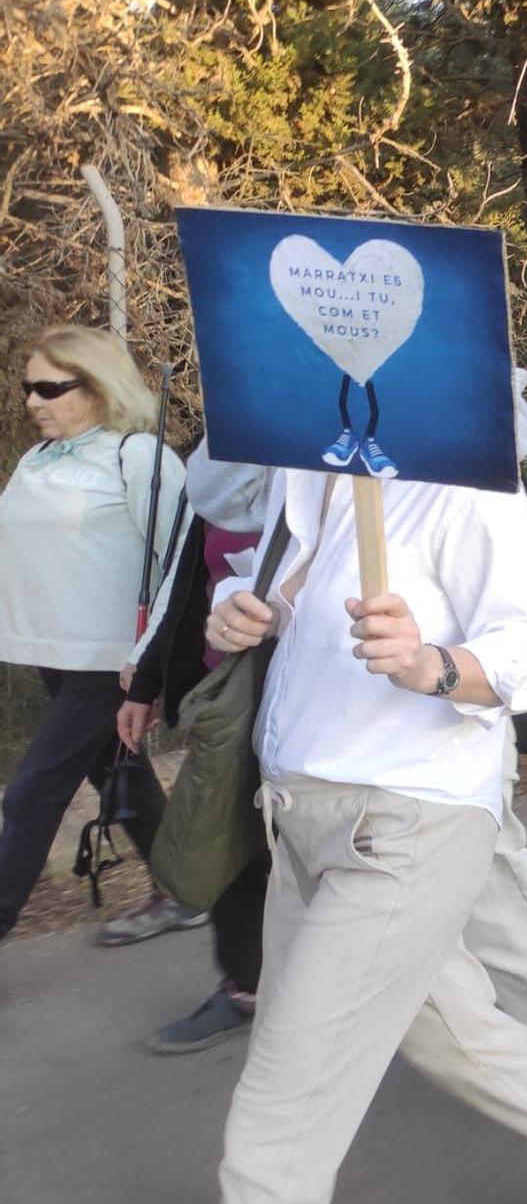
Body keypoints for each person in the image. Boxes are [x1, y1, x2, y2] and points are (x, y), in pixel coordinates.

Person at [202, 466, 527, 1204]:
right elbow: (274, 588)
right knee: (446, 1024)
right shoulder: (303, 476)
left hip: (405, 825)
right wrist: (238, 610)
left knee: (288, 1097)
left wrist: (430, 664)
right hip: (299, 818)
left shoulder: (465, 483)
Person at [0, 326, 191, 946]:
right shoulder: (37, 459)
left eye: (50, 388)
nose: (33, 401)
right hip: (50, 649)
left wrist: (150, 660)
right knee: (119, 774)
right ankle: (185, 890)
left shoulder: (138, 456)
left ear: (98, 384)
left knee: (32, 792)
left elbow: (177, 566)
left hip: (112, 662)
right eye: (29, 387)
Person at [121, 439, 273, 1049]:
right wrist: (149, 680)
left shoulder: (348, 447)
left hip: (333, 700)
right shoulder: (216, 459)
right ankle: (245, 988)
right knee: (229, 836)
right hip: (228, 689)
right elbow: (184, 582)